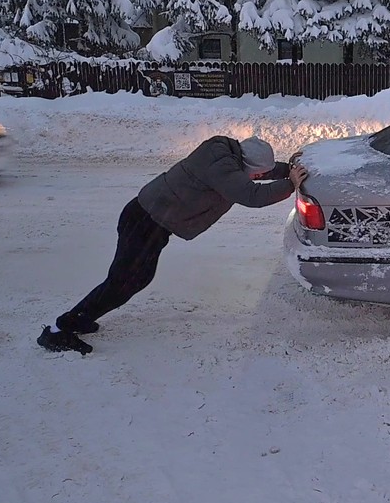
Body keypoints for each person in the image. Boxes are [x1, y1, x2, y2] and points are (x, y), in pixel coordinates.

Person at [37, 136, 308, 354]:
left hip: (151, 219)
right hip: (146, 220)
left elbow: (260, 172)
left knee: (135, 278)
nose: (256, 176)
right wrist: (290, 184)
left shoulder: (226, 153)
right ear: (246, 165)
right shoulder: (222, 168)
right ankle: (62, 329)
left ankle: (80, 318)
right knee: (124, 280)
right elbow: (251, 194)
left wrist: (288, 170)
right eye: (254, 173)